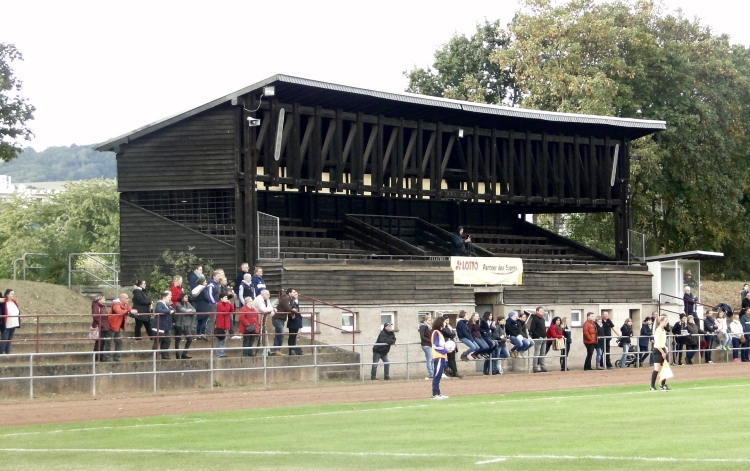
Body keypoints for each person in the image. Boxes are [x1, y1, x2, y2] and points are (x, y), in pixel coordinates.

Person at [106, 293, 134, 362]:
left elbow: (130, 310)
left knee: (119, 342)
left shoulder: (125, 305)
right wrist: (129, 311)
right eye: (127, 298)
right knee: (108, 342)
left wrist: (134, 311)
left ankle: (116, 357)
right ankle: (106, 358)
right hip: (111, 326)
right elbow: (119, 311)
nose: (128, 300)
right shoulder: (116, 304)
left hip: (117, 327)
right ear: (122, 298)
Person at [430, 316, 450, 399]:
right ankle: (435, 394)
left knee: (438, 375)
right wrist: (445, 350)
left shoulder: (440, 333)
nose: (446, 323)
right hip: (438, 356)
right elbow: (435, 346)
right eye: (444, 322)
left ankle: (438, 392)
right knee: (437, 375)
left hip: (441, 356)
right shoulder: (436, 332)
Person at [650, 315, 671, 391]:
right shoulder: (658, 330)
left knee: (665, 368)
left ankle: (662, 384)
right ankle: (652, 386)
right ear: (661, 321)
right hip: (658, 350)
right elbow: (657, 344)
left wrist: (666, 348)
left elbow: (663, 342)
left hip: (663, 349)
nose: (666, 322)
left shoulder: (663, 330)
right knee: (656, 369)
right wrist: (662, 352)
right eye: (665, 321)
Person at [251, 290, 276, 354]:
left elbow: (270, 307)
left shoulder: (267, 300)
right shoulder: (259, 299)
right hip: (254, 320)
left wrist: (271, 309)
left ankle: (267, 350)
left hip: (261, 320)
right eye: (267, 294)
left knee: (265, 333)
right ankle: (250, 351)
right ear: (263, 295)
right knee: (254, 335)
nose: (269, 296)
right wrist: (272, 309)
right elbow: (263, 309)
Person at [279, 288, 302, 355]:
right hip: (292, 319)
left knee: (294, 336)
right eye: (294, 292)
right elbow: (290, 308)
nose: (295, 294)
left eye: (296, 292)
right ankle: (291, 350)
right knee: (291, 336)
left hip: (297, 319)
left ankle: (293, 349)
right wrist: (293, 310)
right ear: (290, 293)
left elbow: (296, 308)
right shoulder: (289, 300)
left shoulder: (294, 300)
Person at [153, 291, 175, 359]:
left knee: (167, 340)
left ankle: (164, 354)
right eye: (169, 297)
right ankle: (155, 355)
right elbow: (158, 310)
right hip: (159, 326)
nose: (170, 298)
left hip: (166, 326)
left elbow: (173, 310)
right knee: (158, 340)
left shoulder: (168, 305)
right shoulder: (159, 303)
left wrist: (171, 311)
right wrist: (169, 312)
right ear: (164, 297)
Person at [174, 292, 196, 359]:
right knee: (177, 340)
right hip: (179, 324)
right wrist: (189, 311)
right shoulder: (178, 304)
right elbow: (184, 311)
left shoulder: (188, 303)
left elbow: (194, 310)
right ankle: (177, 355)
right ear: (182, 298)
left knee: (189, 339)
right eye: (185, 297)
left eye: (187, 297)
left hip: (186, 324)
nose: (187, 298)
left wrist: (189, 311)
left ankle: (184, 353)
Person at [1, 289, 21, 354]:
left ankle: (7, 352)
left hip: (13, 323)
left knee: (9, 339)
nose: (13, 295)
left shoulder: (14, 302)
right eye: (11, 294)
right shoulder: (3, 303)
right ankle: (1, 352)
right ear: (7, 295)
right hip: (6, 324)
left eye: (13, 294)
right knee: (4, 339)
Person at [529, 307, 548, 373]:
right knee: (537, 352)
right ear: (537, 311)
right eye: (541, 311)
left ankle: (542, 366)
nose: (542, 312)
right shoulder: (535, 319)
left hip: (544, 337)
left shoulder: (542, 319)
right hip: (538, 338)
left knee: (543, 353)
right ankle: (535, 367)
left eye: (543, 310)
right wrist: (538, 336)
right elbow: (532, 329)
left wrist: (545, 336)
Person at [215, 293, 233, 358]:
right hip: (221, 325)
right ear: (221, 298)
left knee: (224, 340)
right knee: (220, 340)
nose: (226, 299)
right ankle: (219, 353)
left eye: (226, 297)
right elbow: (224, 310)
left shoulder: (227, 304)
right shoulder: (219, 304)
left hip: (226, 324)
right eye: (225, 297)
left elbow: (232, 310)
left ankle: (221, 352)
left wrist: (230, 304)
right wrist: (228, 304)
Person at [91, 294, 109, 361]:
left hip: (104, 327)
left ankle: (100, 357)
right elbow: (95, 316)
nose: (105, 300)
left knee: (102, 342)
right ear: (99, 299)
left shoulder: (102, 306)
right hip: (100, 327)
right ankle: (97, 357)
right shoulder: (96, 306)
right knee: (99, 342)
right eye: (103, 299)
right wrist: (101, 324)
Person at [418, 314, 434, 379]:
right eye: (429, 320)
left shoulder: (427, 327)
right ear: (425, 320)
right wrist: (429, 340)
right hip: (426, 344)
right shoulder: (423, 326)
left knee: (431, 359)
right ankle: (431, 373)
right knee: (429, 359)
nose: (430, 322)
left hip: (429, 344)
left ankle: (432, 372)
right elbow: (422, 336)